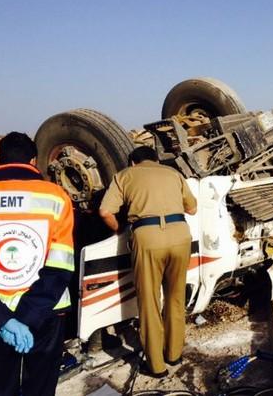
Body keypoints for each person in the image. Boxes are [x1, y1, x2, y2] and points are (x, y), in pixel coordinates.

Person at [99, 146, 197, 378]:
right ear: (156, 160)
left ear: (133, 162)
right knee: (175, 297)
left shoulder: (123, 175)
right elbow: (192, 209)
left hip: (147, 236)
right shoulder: (173, 173)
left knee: (149, 302)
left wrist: (120, 230)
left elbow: (104, 212)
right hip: (180, 235)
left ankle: (156, 366)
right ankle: (174, 354)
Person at [0, 132, 74, 396]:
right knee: (40, 385)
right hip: (46, 312)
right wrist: (28, 317)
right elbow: (60, 266)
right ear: (34, 160)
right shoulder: (57, 197)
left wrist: (3, 320)